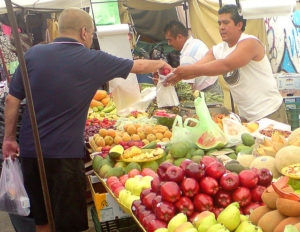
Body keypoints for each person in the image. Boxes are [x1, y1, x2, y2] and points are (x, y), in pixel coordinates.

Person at [2, 7, 171, 232]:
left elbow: (12, 100)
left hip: (32, 154)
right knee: (68, 224)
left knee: (43, 220)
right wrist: (161, 65)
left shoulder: (32, 55)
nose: (90, 38)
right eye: (91, 33)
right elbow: (136, 65)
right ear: (83, 32)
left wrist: (9, 139)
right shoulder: (91, 59)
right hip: (65, 156)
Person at [165, 5, 287, 123]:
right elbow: (196, 69)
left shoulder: (250, 42)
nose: (221, 27)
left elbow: (226, 65)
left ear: (239, 25)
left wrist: (185, 71)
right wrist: (174, 74)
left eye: (226, 23)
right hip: (247, 117)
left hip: (270, 113)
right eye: (219, 23)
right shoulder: (219, 49)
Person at [163, 21, 220, 93]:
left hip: (207, 93)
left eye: (170, 40)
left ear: (179, 37)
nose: (169, 44)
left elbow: (187, 88)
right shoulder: (197, 42)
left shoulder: (187, 56)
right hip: (215, 86)